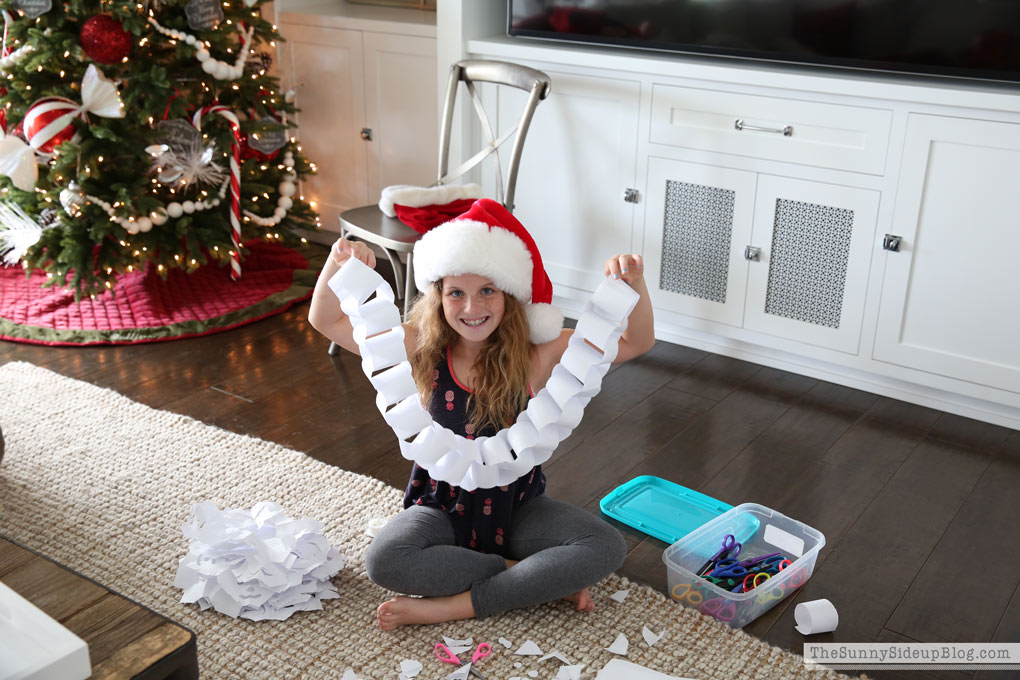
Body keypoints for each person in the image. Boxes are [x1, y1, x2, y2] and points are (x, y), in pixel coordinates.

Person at [308, 198, 655, 630]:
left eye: (487, 290)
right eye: (457, 293)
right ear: (438, 297)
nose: (472, 308)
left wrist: (634, 284)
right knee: (385, 560)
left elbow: (634, 342)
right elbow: (327, 320)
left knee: (604, 546)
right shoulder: (420, 348)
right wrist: (337, 263)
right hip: (439, 509)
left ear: (509, 296)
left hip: (517, 509)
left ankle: (453, 605)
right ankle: (523, 574)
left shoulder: (538, 357)